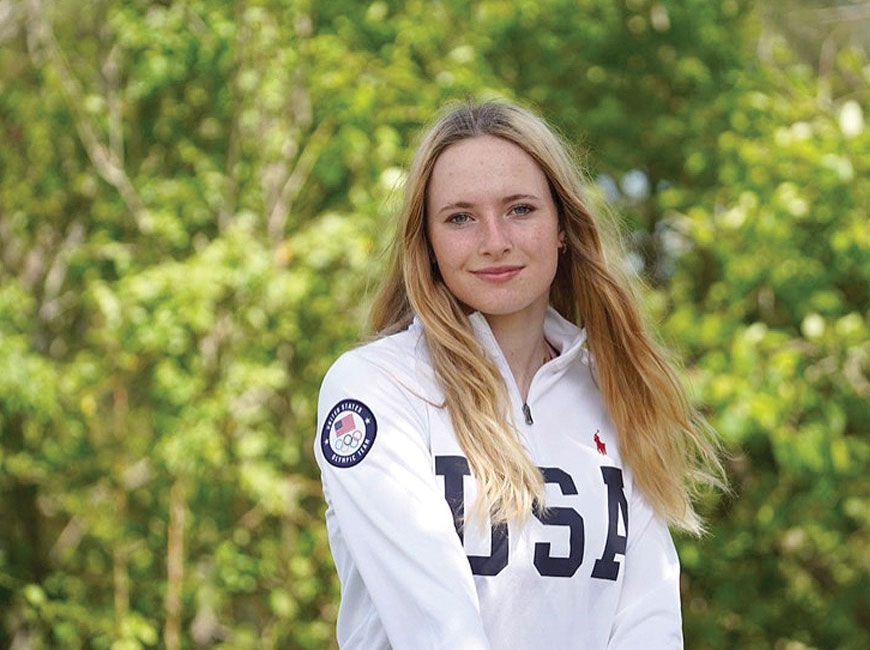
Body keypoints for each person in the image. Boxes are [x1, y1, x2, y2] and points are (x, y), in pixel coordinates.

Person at [314, 100, 726, 649]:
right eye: (460, 217)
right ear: (428, 243)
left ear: (561, 226)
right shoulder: (375, 389)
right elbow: (440, 633)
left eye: (520, 209)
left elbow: (648, 623)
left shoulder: (616, 392)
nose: (494, 241)